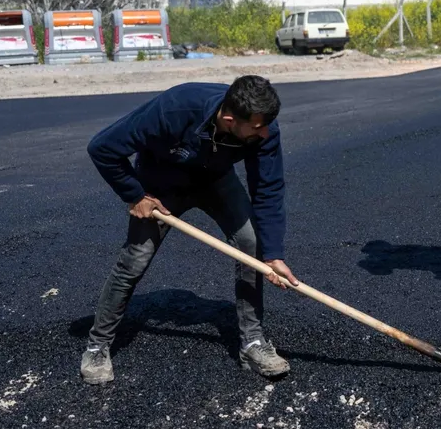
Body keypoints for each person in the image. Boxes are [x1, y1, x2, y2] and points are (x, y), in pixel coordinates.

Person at [79, 76, 298, 385]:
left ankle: (252, 343)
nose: (265, 133)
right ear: (229, 118)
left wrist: (273, 254)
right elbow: (102, 148)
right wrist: (135, 195)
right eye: (257, 128)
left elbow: (268, 190)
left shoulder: (265, 128)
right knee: (135, 260)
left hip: (216, 181)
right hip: (161, 183)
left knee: (252, 246)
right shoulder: (176, 107)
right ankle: (97, 346)